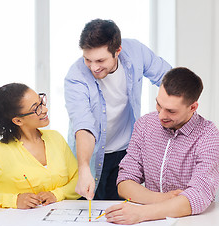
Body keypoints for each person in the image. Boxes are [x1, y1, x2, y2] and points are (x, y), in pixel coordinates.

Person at [64, 19, 171, 200]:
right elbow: (84, 125)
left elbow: (168, 78)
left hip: (125, 152)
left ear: (117, 51)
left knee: (119, 215)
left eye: (100, 60)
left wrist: (165, 109)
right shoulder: (75, 77)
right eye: (87, 59)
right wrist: (83, 168)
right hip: (90, 155)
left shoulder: (136, 52)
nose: (93, 67)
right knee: (87, 212)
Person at [104, 67, 219, 224]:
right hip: (148, 222)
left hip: (191, 223)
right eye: (158, 104)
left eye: (171, 111)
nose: (161, 115)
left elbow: (198, 196)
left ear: (193, 107)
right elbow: (125, 182)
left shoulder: (210, 138)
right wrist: (161, 199)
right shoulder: (145, 125)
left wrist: (141, 213)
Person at [0, 83, 80, 209]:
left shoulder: (56, 138)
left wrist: (57, 194)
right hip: (19, 225)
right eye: (36, 108)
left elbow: (78, 178)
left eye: (41, 102)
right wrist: (13, 200)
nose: (44, 109)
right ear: (18, 120)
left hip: (60, 221)